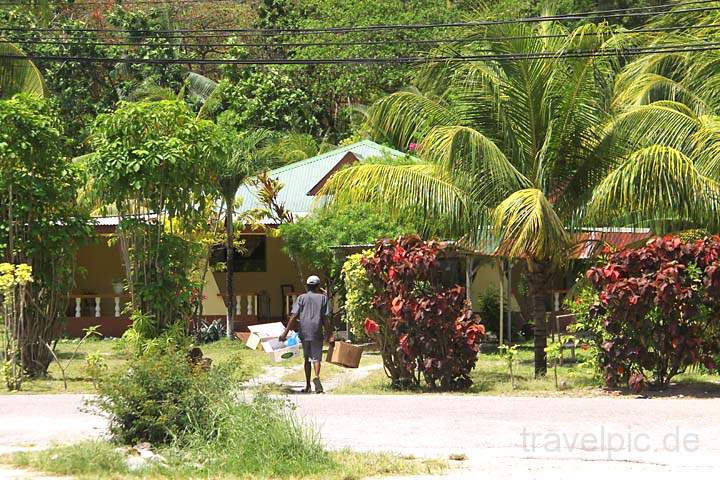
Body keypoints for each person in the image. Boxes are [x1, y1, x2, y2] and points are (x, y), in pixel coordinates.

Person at [280, 275, 335, 393]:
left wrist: (285, 333)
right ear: (318, 286)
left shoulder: (301, 298)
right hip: (316, 331)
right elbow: (325, 318)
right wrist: (330, 335)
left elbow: (294, 316)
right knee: (316, 358)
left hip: (304, 331)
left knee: (306, 359)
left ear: (307, 286)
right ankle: (317, 378)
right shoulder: (323, 298)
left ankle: (308, 385)